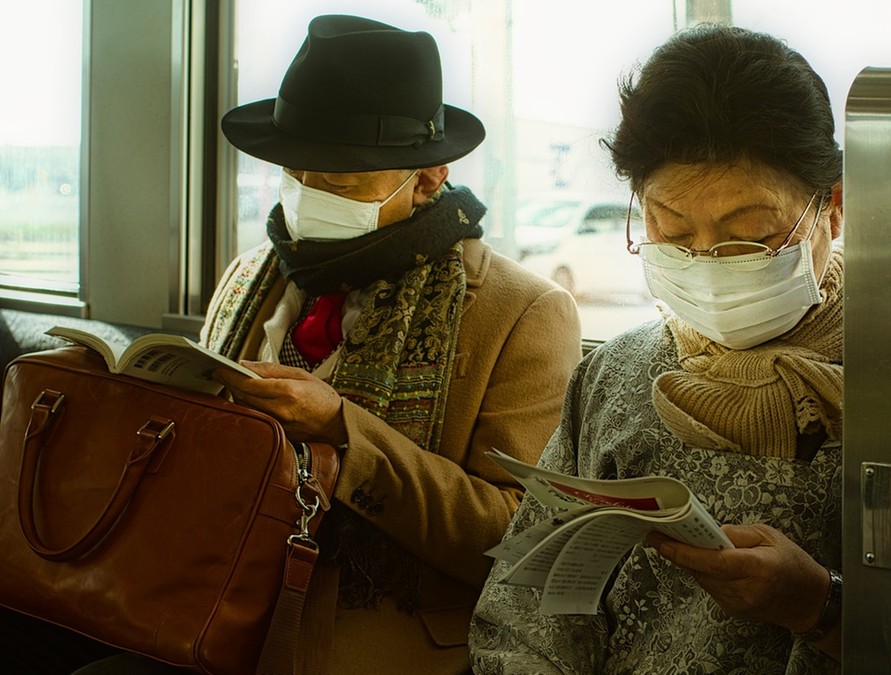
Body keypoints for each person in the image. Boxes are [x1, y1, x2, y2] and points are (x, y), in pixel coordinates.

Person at [0, 13, 581, 675]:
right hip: (211, 607)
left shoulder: (521, 311)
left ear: (426, 178)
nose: (309, 196)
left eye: (341, 182)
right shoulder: (252, 276)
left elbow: (516, 535)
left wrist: (343, 431)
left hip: (374, 639)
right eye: (295, 173)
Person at [469, 24, 843, 673]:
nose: (706, 263)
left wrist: (823, 606)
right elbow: (525, 610)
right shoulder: (614, 376)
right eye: (670, 232)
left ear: (832, 208)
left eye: (749, 237)